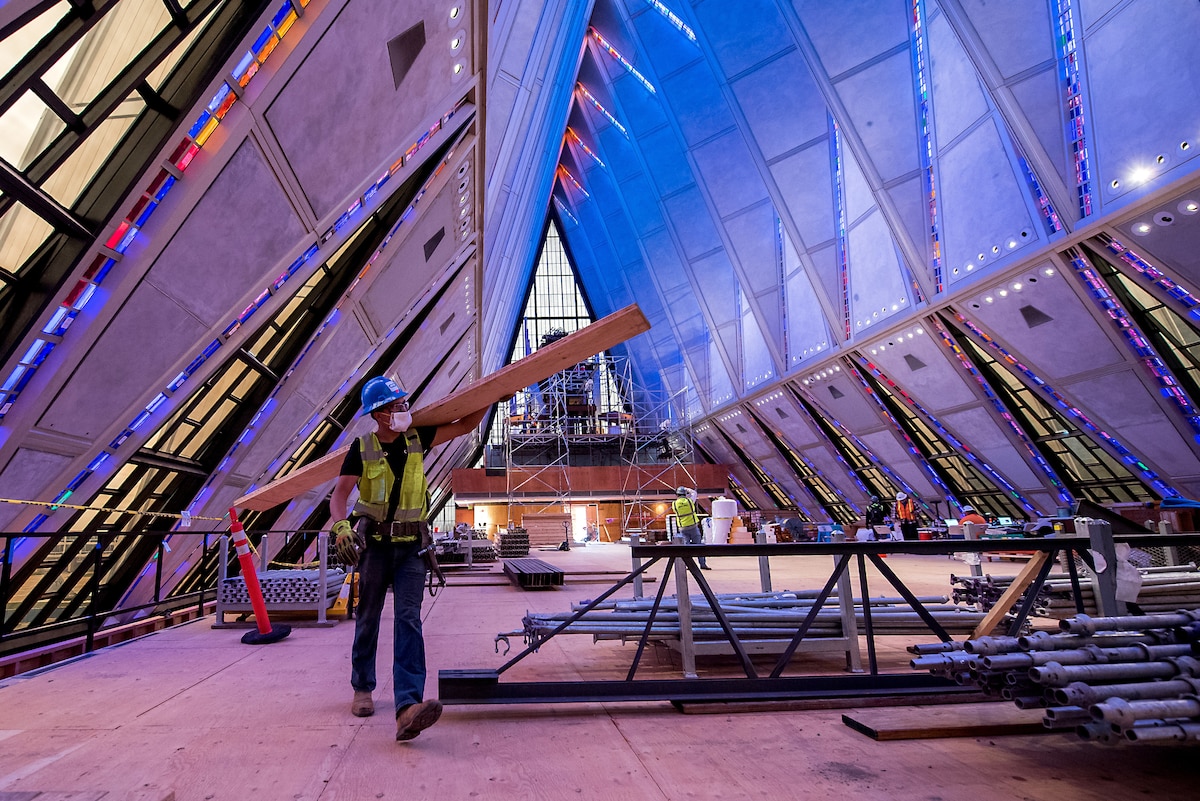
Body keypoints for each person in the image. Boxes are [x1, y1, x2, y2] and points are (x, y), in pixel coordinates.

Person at [329, 375, 485, 741]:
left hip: (413, 546)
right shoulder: (362, 447)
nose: (404, 410)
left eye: (403, 404)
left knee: (409, 621)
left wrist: (491, 394)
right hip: (374, 547)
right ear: (381, 415)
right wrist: (341, 527)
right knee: (367, 617)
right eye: (397, 406)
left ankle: (407, 708)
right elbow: (338, 497)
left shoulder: (419, 438)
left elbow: (465, 423)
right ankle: (363, 687)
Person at [672, 486, 710, 569]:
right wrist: (687, 489)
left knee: (687, 548)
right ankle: (702, 564)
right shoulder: (689, 501)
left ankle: (689, 565)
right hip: (693, 527)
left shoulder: (674, 504)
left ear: (677, 495)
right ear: (685, 494)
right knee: (699, 546)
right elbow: (694, 493)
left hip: (682, 528)